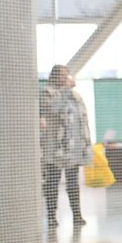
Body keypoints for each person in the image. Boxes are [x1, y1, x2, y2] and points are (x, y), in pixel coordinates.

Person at [40, 64, 91, 228]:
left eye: (67, 75)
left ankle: (77, 215)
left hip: (73, 148)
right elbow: (52, 110)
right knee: (52, 183)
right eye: (63, 75)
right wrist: (65, 90)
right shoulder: (47, 93)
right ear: (54, 76)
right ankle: (51, 217)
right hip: (55, 148)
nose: (66, 78)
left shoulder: (75, 95)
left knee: (73, 183)